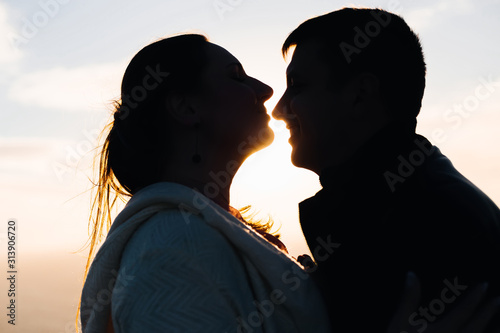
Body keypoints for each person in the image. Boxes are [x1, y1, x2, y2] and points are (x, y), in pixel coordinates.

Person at [79, 33, 496, 333]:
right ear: (188, 107)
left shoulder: (222, 238)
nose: (266, 91)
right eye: (238, 77)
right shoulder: (170, 249)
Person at [272, 7, 500, 333]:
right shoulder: (392, 203)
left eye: (297, 85)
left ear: (359, 95)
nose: (279, 109)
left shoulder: (432, 220)